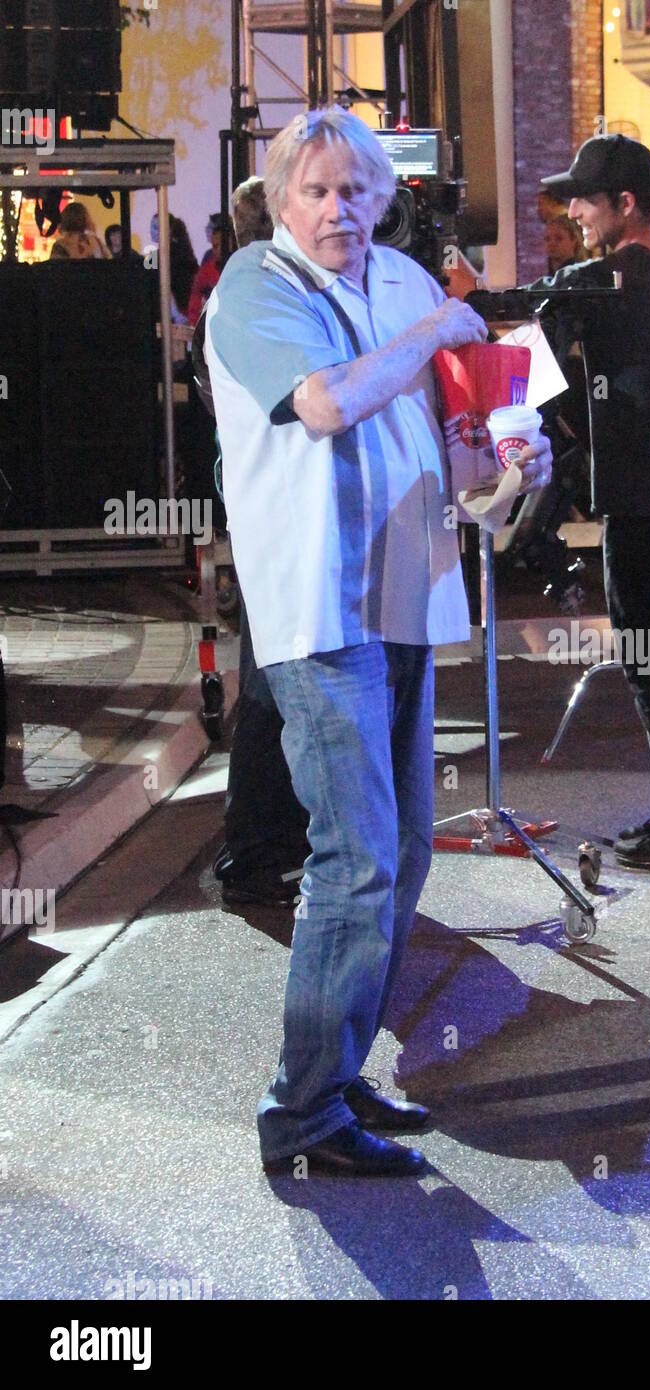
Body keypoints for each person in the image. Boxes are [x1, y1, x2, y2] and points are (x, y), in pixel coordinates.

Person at [204, 107, 554, 1177]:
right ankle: (302, 1111)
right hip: (317, 609)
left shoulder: (405, 286)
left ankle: (338, 1067)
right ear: (275, 200)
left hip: (406, 593)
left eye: (354, 189)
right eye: (313, 189)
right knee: (354, 858)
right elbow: (322, 403)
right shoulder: (254, 287)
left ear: (380, 196)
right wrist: (440, 333)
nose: (337, 208)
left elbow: (450, 449)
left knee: (395, 858)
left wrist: (506, 470)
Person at [471, 133, 650, 869]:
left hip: (635, 505)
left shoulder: (587, 285)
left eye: (585, 199)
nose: (573, 211)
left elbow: (534, 388)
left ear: (626, 204)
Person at [194, 177, 311, 909]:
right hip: (273, 519)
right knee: (273, 692)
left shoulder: (248, 299)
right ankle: (255, 853)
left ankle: (267, 848)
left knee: (276, 689)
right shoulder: (248, 305)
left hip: (269, 514)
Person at [187, 211, 235, 325]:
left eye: (217, 246)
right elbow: (195, 299)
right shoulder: (207, 269)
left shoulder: (240, 266)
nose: (215, 250)